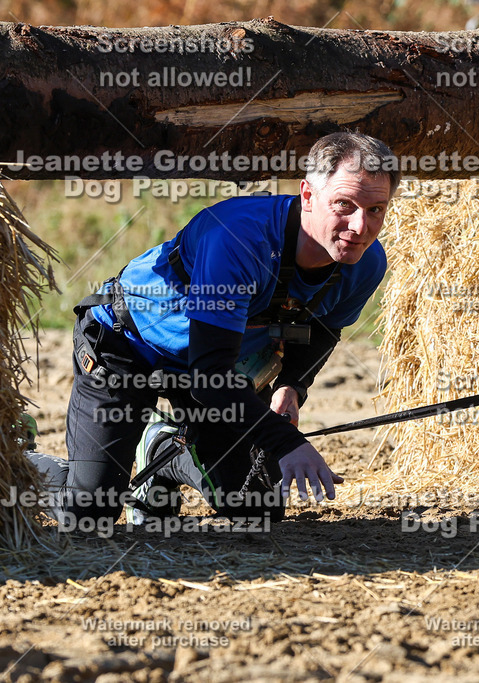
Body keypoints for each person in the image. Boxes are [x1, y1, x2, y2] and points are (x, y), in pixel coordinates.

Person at [27, 131, 399, 530]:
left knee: (256, 511)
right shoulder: (237, 239)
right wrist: (287, 441)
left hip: (211, 367)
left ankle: (161, 450)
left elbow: (325, 331)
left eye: (376, 209)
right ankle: (26, 467)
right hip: (127, 346)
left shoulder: (368, 262)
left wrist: (291, 385)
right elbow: (210, 378)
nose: (361, 226)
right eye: (344, 204)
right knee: (89, 516)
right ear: (307, 195)